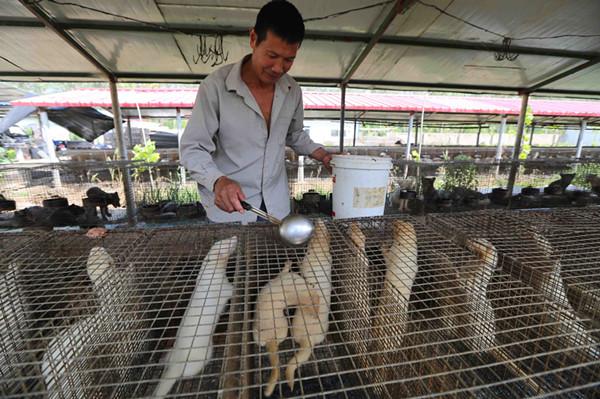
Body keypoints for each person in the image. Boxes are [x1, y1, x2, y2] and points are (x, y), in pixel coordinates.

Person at [180, 0, 332, 223]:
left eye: (289, 59)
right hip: (232, 209)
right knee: (231, 258)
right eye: (272, 56)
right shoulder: (215, 87)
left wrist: (323, 155)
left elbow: (294, 134)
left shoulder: (292, 90)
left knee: (273, 257)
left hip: (275, 207)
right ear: (253, 39)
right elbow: (193, 147)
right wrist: (217, 181)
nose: (279, 68)